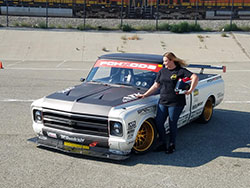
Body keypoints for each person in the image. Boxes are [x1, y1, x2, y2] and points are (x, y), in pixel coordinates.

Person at [137, 52, 199, 154]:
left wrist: (191, 89)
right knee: (159, 122)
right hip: (163, 101)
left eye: (166, 61)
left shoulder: (180, 71)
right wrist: (145, 95)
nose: (164, 63)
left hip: (176, 102)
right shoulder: (162, 71)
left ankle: (172, 144)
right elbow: (156, 85)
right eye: (163, 61)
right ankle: (162, 143)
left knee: (172, 123)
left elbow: (195, 77)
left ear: (172, 60)